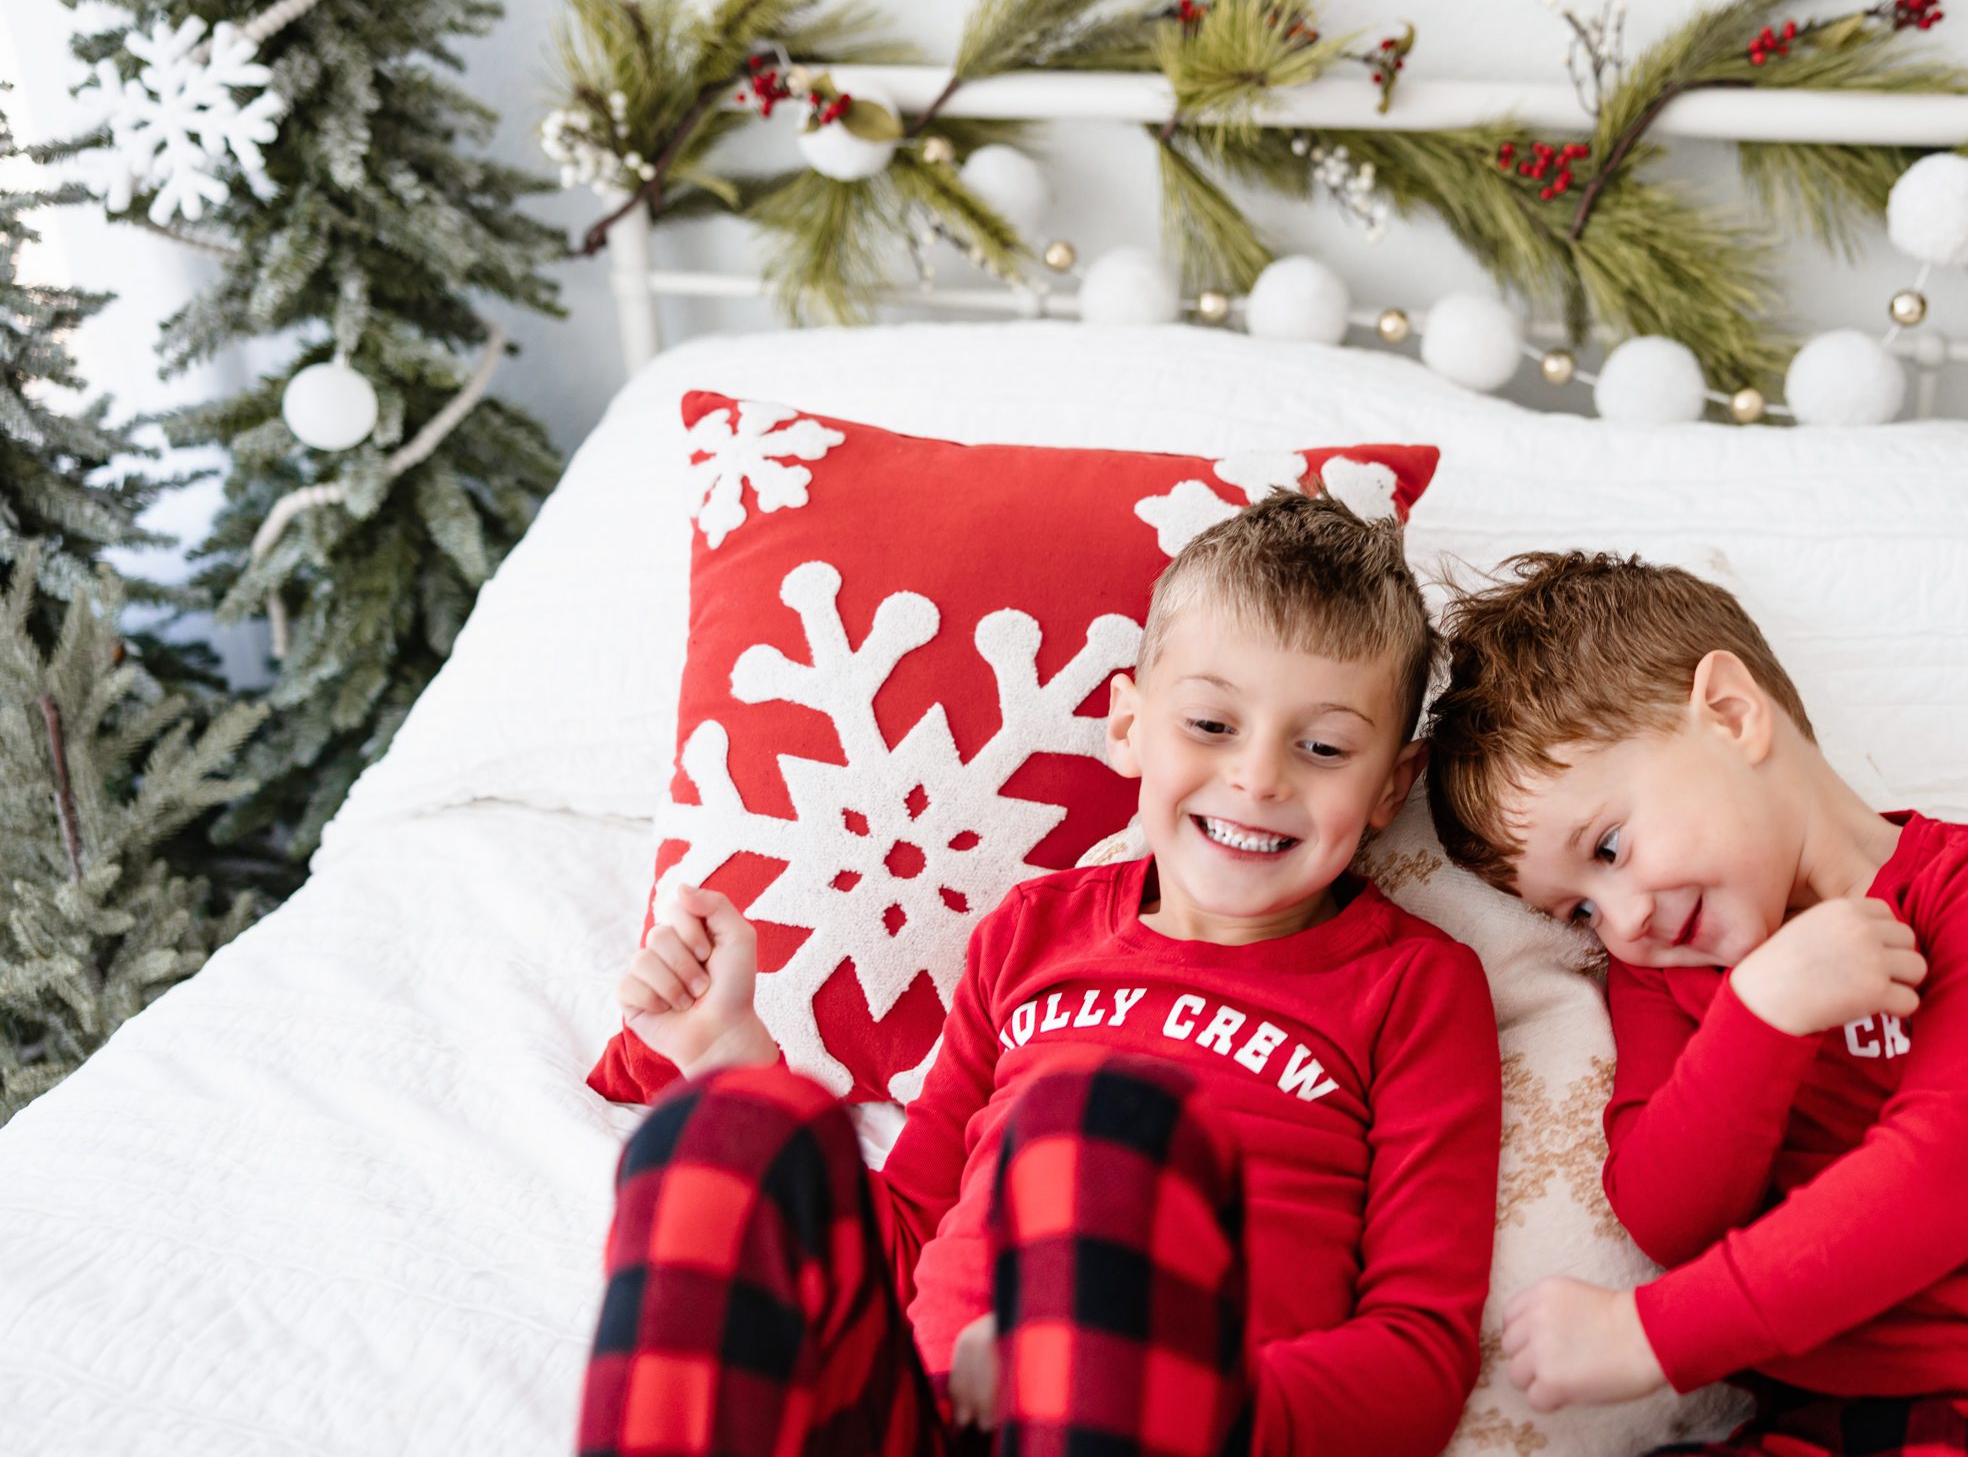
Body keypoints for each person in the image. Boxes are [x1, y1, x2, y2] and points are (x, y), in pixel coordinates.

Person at [579, 490, 1500, 1457]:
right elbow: (907, 1246)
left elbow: (1419, 1355)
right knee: (722, 1142)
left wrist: (1190, 1398)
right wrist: (731, 1051)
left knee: (1101, 1125)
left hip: (1170, 1427)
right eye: (1212, 725)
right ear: (1129, 726)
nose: (1260, 778)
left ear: (1392, 785)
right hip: (924, 1419)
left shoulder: (1414, 989)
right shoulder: (1032, 933)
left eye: (1322, 748)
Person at [1423, 551, 1968, 1457]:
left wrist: (1646, 1336)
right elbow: (1664, 1214)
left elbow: (1934, 1190)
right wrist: (1760, 1020)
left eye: (1608, 846)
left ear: (1731, 714)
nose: (1626, 917)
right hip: (1814, 1419)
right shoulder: (1666, 973)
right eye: (1581, 912)